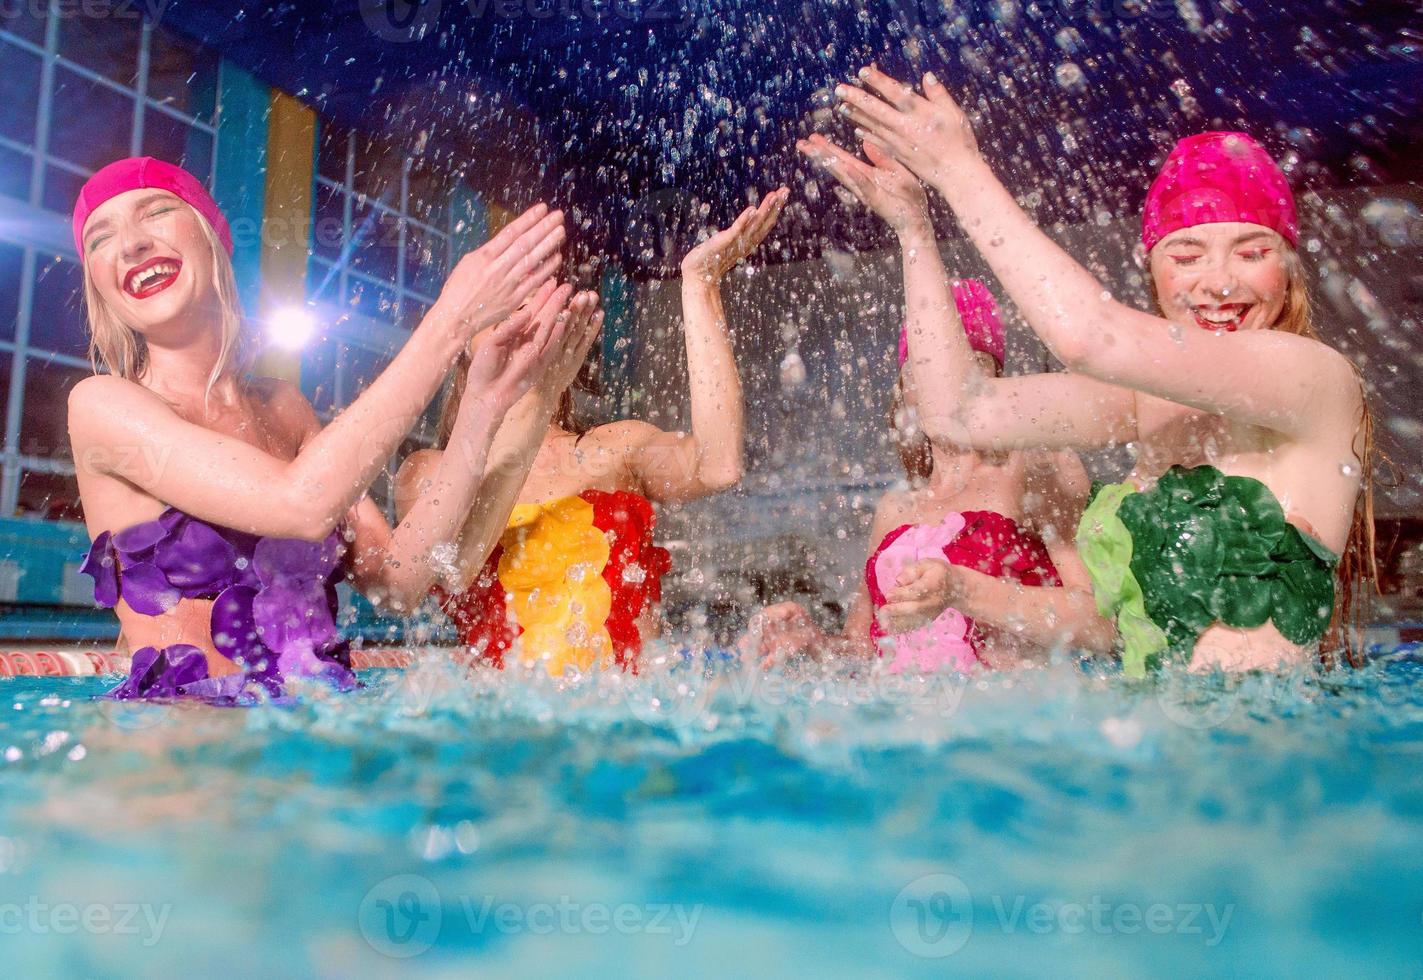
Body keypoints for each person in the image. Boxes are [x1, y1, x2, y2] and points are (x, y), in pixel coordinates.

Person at [830, 68, 1375, 674]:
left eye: (1252, 253)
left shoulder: (1316, 380)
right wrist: (914, 231)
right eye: (1186, 255)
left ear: (1290, 269)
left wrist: (960, 170)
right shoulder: (1145, 407)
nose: (1219, 283)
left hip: (1266, 750)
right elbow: (959, 410)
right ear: (1154, 271)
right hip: (1156, 744)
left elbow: (1091, 336)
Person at [67, 156, 596, 701]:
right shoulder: (104, 407)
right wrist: (452, 319)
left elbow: (398, 582)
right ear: (101, 289)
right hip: (185, 759)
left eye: (154, 211)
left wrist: (485, 405)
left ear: (211, 237)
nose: (129, 243)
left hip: (304, 745)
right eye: (101, 238)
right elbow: (300, 503)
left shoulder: (283, 406)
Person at [397, 189, 789, 676]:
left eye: (536, 305)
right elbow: (456, 571)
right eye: (502, 311)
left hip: (631, 717)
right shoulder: (431, 472)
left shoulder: (611, 449)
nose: (523, 321)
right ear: (465, 355)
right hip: (504, 728)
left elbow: (720, 464)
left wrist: (700, 285)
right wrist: (536, 403)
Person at [745, 276, 1111, 672]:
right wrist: (816, 644)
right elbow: (865, 647)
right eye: (924, 367)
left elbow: (1101, 626)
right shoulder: (895, 507)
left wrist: (962, 590)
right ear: (904, 387)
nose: (942, 385)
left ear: (995, 380)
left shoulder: (1038, 463)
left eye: (965, 365)